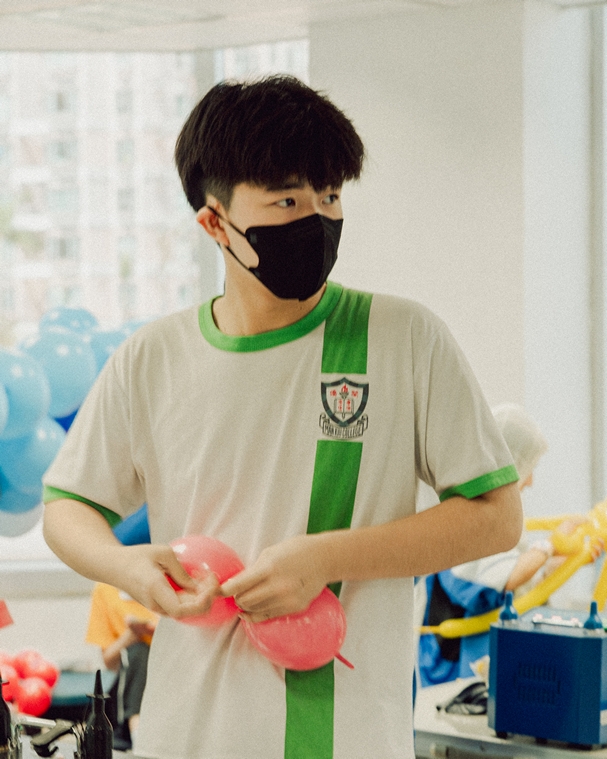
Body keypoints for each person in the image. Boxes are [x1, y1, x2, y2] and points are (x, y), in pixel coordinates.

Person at [41, 75, 522, 759]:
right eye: (287, 200)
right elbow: (67, 506)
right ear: (214, 223)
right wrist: (127, 568)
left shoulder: (403, 338)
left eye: (329, 196)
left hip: (347, 737)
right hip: (186, 734)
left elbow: (495, 515)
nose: (316, 219)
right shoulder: (153, 357)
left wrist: (325, 557)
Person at [418, 403, 592, 687]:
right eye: (529, 469)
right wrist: (551, 544)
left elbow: (523, 585)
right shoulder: (469, 513)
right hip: (455, 668)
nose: (531, 482)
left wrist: (574, 558)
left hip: (486, 663)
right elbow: (502, 580)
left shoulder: (500, 518)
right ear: (509, 464)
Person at [86, 582, 157, 750]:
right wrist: (132, 635)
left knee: (143, 654)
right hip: (130, 674)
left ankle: (137, 734)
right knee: (138, 652)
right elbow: (109, 661)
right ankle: (135, 729)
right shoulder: (104, 590)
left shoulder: (160, 584)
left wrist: (154, 631)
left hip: (162, 669)